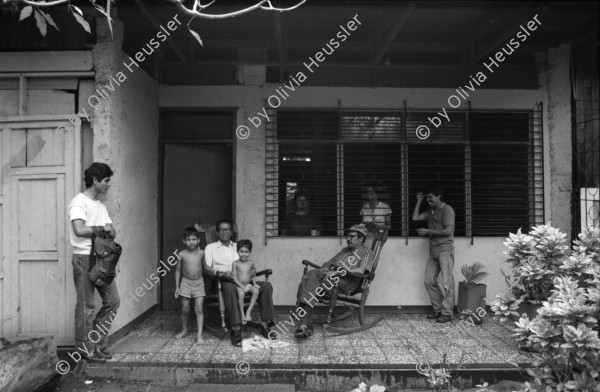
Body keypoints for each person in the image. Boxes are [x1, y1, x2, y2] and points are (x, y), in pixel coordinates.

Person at [68, 162, 119, 363]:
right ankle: (85, 351)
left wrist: (102, 229)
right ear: (95, 180)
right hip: (83, 258)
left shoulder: (101, 206)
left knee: (113, 301)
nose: (108, 185)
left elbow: (112, 231)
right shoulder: (78, 202)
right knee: (86, 307)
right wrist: (101, 229)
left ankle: (96, 344)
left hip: (102, 260)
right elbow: (79, 230)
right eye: (106, 181)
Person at [204, 220, 275, 346]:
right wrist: (220, 273)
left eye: (227, 229)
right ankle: (236, 329)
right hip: (223, 280)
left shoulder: (238, 247)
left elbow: (247, 264)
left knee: (266, 286)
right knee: (231, 288)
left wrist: (252, 272)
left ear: (231, 231)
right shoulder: (211, 248)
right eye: (221, 229)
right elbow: (207, 268)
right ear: (217, 232)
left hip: (244, 280)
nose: (225, 232)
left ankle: (265, 324)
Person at [294, 224, 373, 338]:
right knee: (307, 281)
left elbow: (361, 270)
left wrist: (338, 272)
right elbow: (329, 262)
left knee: (307, 281)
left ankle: (303, 322)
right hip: (330, 281)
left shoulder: (366, 252)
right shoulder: (345, 250)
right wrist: (326, 267)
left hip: (344, 284)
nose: (348, 238)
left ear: (361, 239)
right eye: (347, 236)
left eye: (351, 236)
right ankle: (305, 325)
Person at [412, 187, 456, 323]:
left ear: (439, 196)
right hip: (433, 251)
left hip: (445, 250)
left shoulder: (447, 210)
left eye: (430, 197)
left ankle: (447, 313)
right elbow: (415, 218)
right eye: (427, 198)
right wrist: (419, 201)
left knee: (447, 283)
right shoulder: (430, 211)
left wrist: (428, 231)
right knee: (429, 281)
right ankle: (438, 310)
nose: (428, 200)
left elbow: (448, 231)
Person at [175, 226, 212, 343]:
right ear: (184, 241)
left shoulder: (201, 253)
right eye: (189, 239)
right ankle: (184, 329)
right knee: (185, 309)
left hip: (199, 283)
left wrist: (214, 270)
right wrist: (177, 286)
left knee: (199, 309)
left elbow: (205, 266)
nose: (191, 242)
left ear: (198, 241)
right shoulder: (181, 254)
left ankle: (199, 334)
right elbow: (177, 271)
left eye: (194, 239)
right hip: (185, 283)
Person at [232, 239, 260, 325]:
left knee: (256, 291)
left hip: (248, 284)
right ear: (237, 251)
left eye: (246, 252)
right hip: (239, 285)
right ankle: (242, 314)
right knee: (241, 294)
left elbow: (252, 275)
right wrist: (242, 286)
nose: (244, 254)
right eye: (242, 251)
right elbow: (234, 278)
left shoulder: (251, 263)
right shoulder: (235, 263)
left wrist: (255, 284)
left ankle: (248, 311)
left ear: (250, 252)